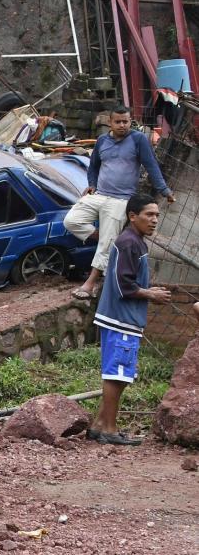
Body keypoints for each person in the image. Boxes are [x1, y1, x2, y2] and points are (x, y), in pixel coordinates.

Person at [64, 106, 174, 300]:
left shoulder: (138, 139)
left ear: (130, 121)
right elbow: (94, 167)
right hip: (100, 194)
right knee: (71, 221)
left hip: (121, 199)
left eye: (126, 121)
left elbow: (151, 165)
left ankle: (90, 283)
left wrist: (164, 191)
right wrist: (91, 185)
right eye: (118, 122)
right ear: (110, 122)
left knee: (107, 241)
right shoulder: (102, 141)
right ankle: (108, 238)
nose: (122, 125)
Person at [87, 194, 171, 445]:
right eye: (149, 214)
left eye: (157, 215)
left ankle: (100, 424)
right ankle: (110, 430)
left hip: (125, 318)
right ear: (132, 216)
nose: (154, 220)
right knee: (116, 374)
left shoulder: (136, 242)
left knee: (121, 374)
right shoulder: (129, 243)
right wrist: (150, 293)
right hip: (120, 318)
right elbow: (124, 284)